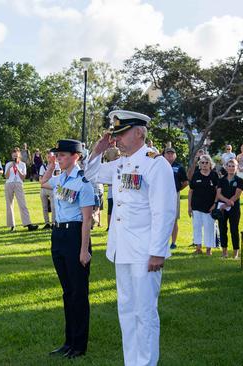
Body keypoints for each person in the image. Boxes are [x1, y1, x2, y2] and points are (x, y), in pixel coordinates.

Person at [85, 110, 176, 366]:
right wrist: (97, 150)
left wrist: (158, 251)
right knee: (126, 311)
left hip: (145, 252)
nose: (117, 140)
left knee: (144, 313)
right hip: (122, 249)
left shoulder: (155, 164)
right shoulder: (121, 163)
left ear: (139, 133)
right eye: (115, 135)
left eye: (121, 134)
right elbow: (90, 175)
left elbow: (164, 210)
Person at [40, 139, 94, 359]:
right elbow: (43, 183)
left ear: (76, 156)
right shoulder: (60, 178)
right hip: (58, 235)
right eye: (57, 155)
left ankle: (79, 345)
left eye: (62, 155)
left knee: (78, 293)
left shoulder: (84, 183)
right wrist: (51, 165)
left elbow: (87, 219)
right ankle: (68, 341)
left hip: (75, 236)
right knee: (67, 292)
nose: (59, 158)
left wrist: (84, 250)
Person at [188, 154, 219, 255]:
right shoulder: (196, 175)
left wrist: (215, 204)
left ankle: (208, 249)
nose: (204, 164)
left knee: (209, 227)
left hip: (209, 207)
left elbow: (218, 191)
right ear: (199, 164)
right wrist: (189, 206)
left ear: (210, 164)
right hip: (196, 206)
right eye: (202, 163)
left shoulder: (214, 175)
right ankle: (198, 248)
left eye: (206, 162)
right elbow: (190, 191)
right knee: (196, 227)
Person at [216, 159, 243, 258]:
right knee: (222, 229)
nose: (231, 168)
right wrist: (225, 203)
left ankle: (235, 252)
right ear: (226, 167)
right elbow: (218, 194)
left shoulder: (239, 180)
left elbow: (237, 195)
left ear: (236, 168)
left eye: (233, 166)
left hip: (234, 208)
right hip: (222, 209)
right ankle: (224, 252)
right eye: (229, 166)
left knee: (234, 229)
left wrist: (228, 203)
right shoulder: (221, 180)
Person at [4, 147, 38, 231]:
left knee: (22, 204)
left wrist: (17, 168)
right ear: (12, 156)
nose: (15, 156)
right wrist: (10, 167)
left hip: (19, 184)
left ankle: (28, 224)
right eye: (14, 154)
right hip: (9, 184)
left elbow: (23, 177)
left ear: (19, 155)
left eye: (17, 154)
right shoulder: (8, 164)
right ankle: (11, 225)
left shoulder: (22, 164)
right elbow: (6, 176)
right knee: (9, 205)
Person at [163, 147, 189, 249]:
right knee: (161, 218)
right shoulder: (159, 166)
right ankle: (163, 242)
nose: (170, 155)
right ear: (164, 155)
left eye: (172, 154)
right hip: (161, 195)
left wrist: (177, 189)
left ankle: (173, 243)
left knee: (173, 219)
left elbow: (186, 182)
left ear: (175, 155)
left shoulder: (179, 167)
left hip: (174, 195)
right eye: (168, 153)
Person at [39, 150, 60, 229]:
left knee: (53, 206)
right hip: (44, 188)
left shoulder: (57, 165)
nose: (49, 158)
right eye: (48, 157)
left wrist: (46, 182)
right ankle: (47, 223)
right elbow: (40, 179)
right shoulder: (43, 166)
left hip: (52, 188)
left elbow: (58, 177)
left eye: (50, 156)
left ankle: (53, 223)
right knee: (44, 207)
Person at [103, 141, 120, 230]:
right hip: (111, 189)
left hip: (118, 190)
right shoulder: (109, 165)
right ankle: (109, 226)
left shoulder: (118, 151)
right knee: (110, 208)